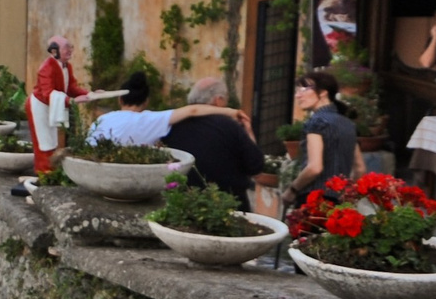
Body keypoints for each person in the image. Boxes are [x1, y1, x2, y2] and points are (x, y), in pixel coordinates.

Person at [167, 76, 269, 207]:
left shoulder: (172, 125)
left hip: (183, 204)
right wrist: (248, 130)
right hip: (228, 205)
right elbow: (256, 167)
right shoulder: (230, 126)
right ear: (218, 100)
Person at [88, 72, 244, 148]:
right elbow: (193, 111)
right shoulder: (151, 120)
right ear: (146, 101)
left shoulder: (102, 119)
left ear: (120, 100)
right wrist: (231, 112)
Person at [287, 70, 360, 195]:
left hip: (314, 197)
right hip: (339, 200)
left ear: (323, 93)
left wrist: (292, 190)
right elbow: (359, 168)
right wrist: (346, 195)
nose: (298, 95)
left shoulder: (316, 122)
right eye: (297, 90)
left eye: (304, 89)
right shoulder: (348, 124)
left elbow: (314, 168)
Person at [27, 34, 84, 175]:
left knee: (52, 139)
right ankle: (43, 171)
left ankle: (52, 169)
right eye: (66, 47)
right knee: (44, 140)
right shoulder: (46, 68)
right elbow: (47, 93)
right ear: (54, 51)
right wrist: (69, 101)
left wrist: (88, 94)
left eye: (70, 47)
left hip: (51, 105)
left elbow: (71, 87)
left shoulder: (67, 67)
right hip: (40, 106)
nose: (69, 50)